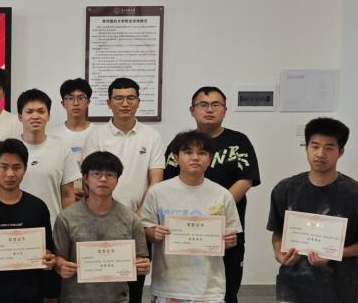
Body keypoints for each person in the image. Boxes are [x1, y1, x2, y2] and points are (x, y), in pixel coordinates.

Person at [163, 86, 261, 303]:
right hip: (186, 228)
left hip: (225, 229)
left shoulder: (239, 141)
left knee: (227, 288)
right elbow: (168, 183)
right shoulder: (180, 144)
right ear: (192, 110)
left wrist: (213, 210)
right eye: (203, 105)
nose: (209, 109)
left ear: (225, 110)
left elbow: (246, 179)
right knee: (184, 288)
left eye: (216, 105)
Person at [267, 118, 358, 303]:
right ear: (306, 148)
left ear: (340, 152)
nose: (320, 154)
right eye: (315, 146)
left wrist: (334, 253)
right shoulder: (285, 189)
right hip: (292, 286)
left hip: (339, 288)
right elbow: (278, 232)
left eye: (329, 148)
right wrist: (279, 254)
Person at [81, 77, 164, 302]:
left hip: (138, 221)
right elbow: (89, 178)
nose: (125, 103)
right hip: (99, 220)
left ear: (139, 101)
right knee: (99, 281)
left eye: (130, 98)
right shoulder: (96, 136)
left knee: (133, 286)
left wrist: (138, 215)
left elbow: (156, 180)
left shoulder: (151, 136)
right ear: (109, 103)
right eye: (118, 98)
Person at [141, 131, 241, 302]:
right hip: (168, 286)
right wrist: (153, 233)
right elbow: (145, 230)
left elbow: (232, 236)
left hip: (209, 287)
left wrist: (230, 239)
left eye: (202, 153)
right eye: (188, 152)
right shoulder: (157, 192)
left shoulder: (222, 195)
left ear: (210, 159)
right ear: (176, 157)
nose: (195, 158)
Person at [0, 139, 57, 303]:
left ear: (25, 169)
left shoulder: (37, 207)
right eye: (4, 167)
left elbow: (48, 249)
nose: (10, 174)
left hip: (29, 295)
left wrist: (48, 259)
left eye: (16, 167)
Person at [53, 152, 151, 303]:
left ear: (117, 180)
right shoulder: (66, 218)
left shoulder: (131, 219)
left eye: (110, 175)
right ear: (85, 178)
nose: (103, 179)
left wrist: (143, 265)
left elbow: (141, 258)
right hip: (75, 299)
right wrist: (61, 266)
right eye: (96, 174)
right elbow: (58, 258)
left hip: (117, 299)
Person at [11, 88, 80, 225]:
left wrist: (68, 227)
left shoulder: (62, 149)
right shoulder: (9, 149)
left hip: (52, 227)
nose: (35, 116)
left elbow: (68, 195)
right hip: (15, 226)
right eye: (29, 112)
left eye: (41, 111)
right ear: (20, 117)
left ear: (48, 116)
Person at [48, 78, 94, 197]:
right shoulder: (51, 135)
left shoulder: (98, 133)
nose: (76, 103)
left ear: (88, 102)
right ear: (63, 103)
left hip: (93, 195)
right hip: (61, 195)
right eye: (70, 98)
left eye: (81, 98)